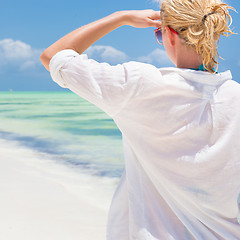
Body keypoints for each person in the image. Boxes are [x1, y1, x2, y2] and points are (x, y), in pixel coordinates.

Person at [40, 0, 240, 239]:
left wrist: (120, 17)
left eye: (160, 33)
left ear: (169, 34)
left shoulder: (140, 86)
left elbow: (53, 56)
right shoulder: (235, 96)